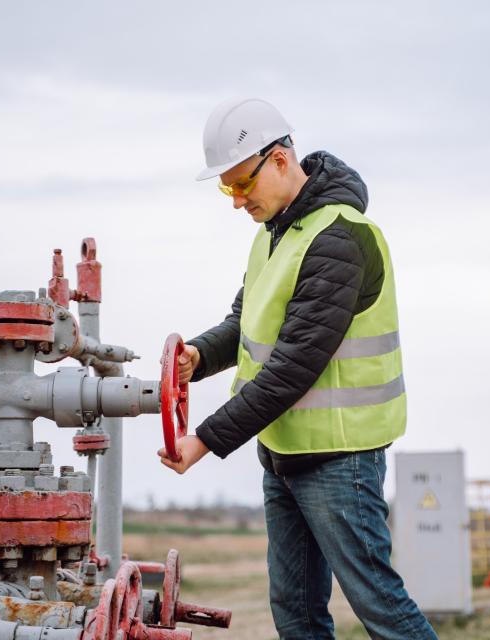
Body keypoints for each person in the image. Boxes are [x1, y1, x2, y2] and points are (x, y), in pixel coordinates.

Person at [157, 97, 437, 640]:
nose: (237, 202)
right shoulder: (275, 235)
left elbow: (293, 367)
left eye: (242, 185)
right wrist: (200, 356)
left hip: (341, 463)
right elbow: (245, 321)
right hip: (284, 457)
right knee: (296, 613)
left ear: (281, 160)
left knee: (379, 605)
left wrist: (205, 441)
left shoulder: (340, 238)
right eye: (226, 189)